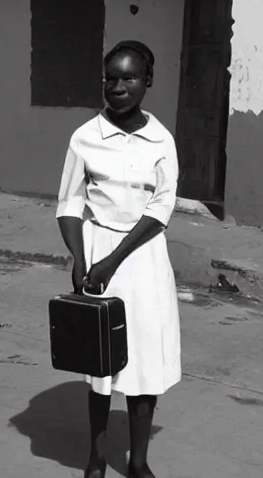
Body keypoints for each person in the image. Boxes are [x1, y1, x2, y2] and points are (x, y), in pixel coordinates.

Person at [56, 40, 181, 478]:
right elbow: (70, 203)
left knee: (143, 365)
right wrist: (79, 256)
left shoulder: (161, 139)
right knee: (100, 368)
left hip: (142, 257)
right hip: (95, 252)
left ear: (147, 80)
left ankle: (139, 461)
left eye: (128, 78)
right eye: (111, 78)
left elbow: (161, 208)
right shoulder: (86, 137)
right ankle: (95, 459)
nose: (118, 87)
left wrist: (114, 259)